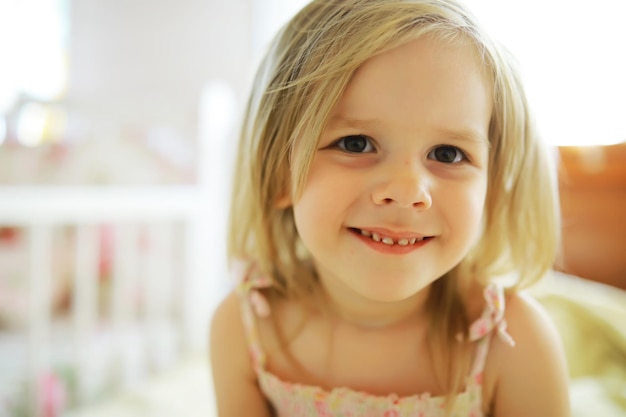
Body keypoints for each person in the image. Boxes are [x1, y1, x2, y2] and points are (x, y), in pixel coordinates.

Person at [210, 0, 570, 416]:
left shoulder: (513, 344)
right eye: (355, 143)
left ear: (492, 186)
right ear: (278, 173)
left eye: (448, 153)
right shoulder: (245, 331)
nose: (406, 191)